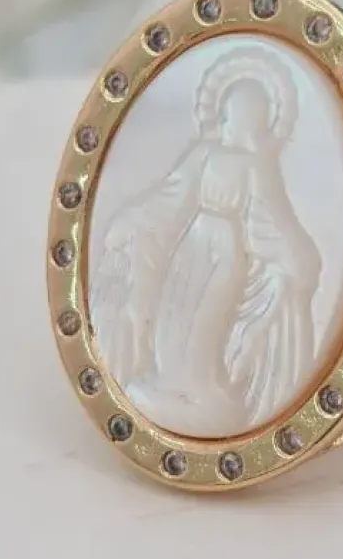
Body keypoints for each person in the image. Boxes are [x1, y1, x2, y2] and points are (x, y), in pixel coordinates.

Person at [90, 48, 321, 435]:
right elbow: (170, 194)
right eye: (226, 114)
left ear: (251, 120)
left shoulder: (256, 166)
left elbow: (272, 217)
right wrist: (129, 221)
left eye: (236, 116)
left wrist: (298, 258)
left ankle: (198, 392)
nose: (228, 123)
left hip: (227, 251)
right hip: (193, 241)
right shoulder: (205, 152)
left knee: (204, 320)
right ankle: (168, 384)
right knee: (172, 313)